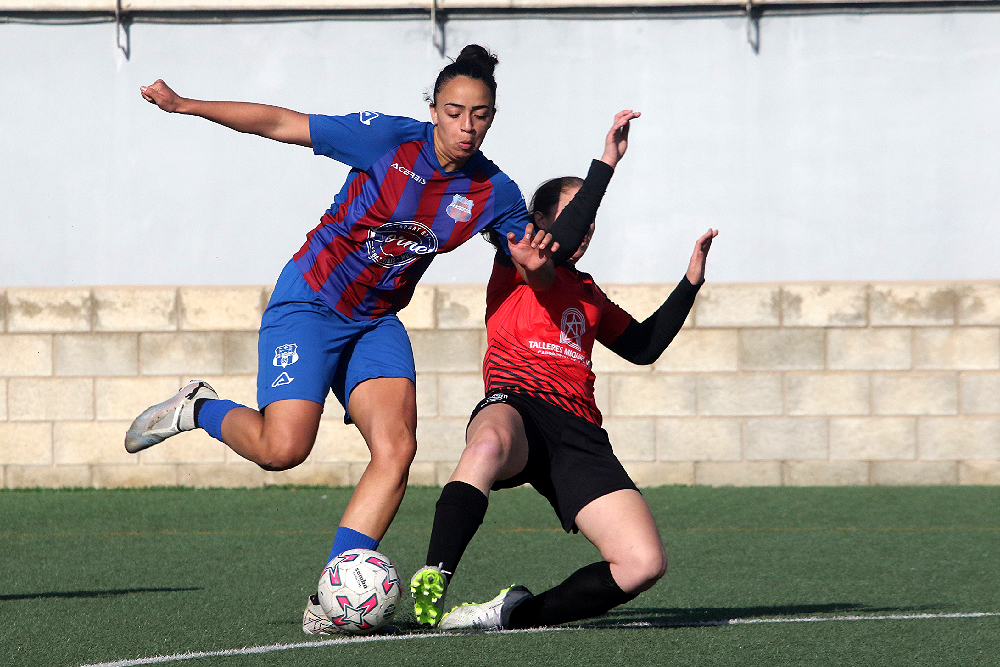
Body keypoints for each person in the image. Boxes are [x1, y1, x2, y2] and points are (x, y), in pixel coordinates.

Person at [122, 45, 602, 635]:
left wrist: (535, 265)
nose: (466, 126)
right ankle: (198, 406)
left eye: (480, 115)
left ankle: (332, 596)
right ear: (433, 109)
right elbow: (281, 122)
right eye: (454, 111)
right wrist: (186, 104)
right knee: (283, 449)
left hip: (375, 323)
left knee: (396, 450)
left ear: (492, 117)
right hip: (311, 300)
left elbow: (538, 270)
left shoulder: (493, 192)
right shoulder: (387, 141)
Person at [409, 123, 718, 630]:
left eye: (591, 218)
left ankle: (516, 614)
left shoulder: (589, 292)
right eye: (580, 213)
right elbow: (553, 249)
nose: (588, 227)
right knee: (486, 447)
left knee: (643, 564)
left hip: (577, 432)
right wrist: (607, 164)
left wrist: (689, 284)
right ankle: (436, 573)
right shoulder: (517, 254)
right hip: (517, 406)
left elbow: (643, 347)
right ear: (542, 220)